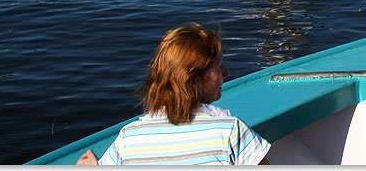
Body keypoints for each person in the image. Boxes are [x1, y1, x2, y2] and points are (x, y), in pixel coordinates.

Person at [77, 24, 270, 165]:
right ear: (194, 80)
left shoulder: (129, 140)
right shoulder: (230, 132)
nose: (226, 73)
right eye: (219, 67)